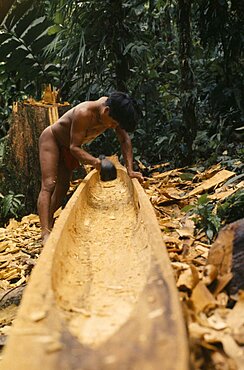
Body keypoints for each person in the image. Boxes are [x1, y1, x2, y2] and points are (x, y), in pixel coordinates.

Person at [37, 91, 143, 244]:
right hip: (52, 139)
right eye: (113, 124)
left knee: (62, 187)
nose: (113, 127)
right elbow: (75, 147)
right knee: (49, 184)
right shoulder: (84, 113)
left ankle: (50, 222)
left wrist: (130, 170)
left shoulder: (114, 110)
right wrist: (95, 162)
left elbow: (124, 139)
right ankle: (44, 233)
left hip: (68, 146)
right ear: (106, 111)